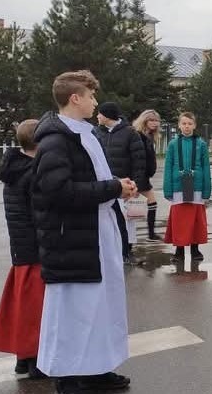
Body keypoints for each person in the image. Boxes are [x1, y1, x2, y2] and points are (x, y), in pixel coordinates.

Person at [32, 70, 138, 394]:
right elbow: (57, 191)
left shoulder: (87, 133)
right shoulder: (55, 140)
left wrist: (119, 188)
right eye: (90, 96)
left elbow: (94, 178)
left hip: (97, 233)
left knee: (101, 306)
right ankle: (67, 376)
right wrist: (112, 188)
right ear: (74, 98)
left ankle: (97, 368)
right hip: (73, 239)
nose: (95, 102)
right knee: (73, 311)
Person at [0, 119, 47, 380]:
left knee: (23, 308)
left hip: (21, 249)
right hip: (36, 247)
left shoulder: (14, 168)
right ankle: (36, 361)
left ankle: (22, 359)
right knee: (36, 310)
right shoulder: (34, 173)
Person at [94, 101, 147, 263]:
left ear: (107, 115)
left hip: (126, 185)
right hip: (105, 185)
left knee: (126, 221)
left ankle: (126, 251)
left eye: (100, 113)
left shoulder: (130, 133)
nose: (97, 116)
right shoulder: (96, 132)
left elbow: (139, 160)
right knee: (107, 221)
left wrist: (136, 184)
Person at [163, 112, 212, 263]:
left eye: (190, 123)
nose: (186, 126)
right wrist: (168, 189)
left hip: (196, 186)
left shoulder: (201, 144)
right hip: (178, 186)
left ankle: (195, 249)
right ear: (179, 125)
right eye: (184, 123)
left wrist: (206, 189)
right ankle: (179, 250)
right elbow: (168, 166)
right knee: (179, 220)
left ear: (194, 125)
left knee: (196, 219)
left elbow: (205, 167)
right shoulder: (172, 144)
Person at [132, 109, 163, 241]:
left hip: (144, 176)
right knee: (131, 209)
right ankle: (129, 242)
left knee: (151, 203)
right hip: (137, 176)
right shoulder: (138, 135)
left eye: (156, 121)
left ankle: (151, 233)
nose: (155, 123)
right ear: (144, 120)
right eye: (151, 120)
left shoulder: (149, 136)